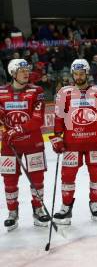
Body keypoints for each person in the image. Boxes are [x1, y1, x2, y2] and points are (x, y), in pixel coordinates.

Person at [49, 59, 97, 225]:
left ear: (87, 73)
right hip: (71, 142)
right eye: (76, 74)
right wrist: (57, 136)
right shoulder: (64, 93)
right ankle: (66, 207)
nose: (78, 77)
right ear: (72, 74)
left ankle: (94, 203)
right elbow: (58, 117)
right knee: (68, 176)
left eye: (81, 73)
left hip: (95, 142)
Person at [0, 59, 49, 231]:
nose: (26, 73)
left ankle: (38, 209)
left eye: (27, 70)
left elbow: (37, 120)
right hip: (8, 144)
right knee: (9, 181)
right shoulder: (1, 92)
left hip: (32, 143)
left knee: (37, 179)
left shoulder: (37, 91)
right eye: (21, 71)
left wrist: (16, 130)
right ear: (12, 73)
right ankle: (12, 213)